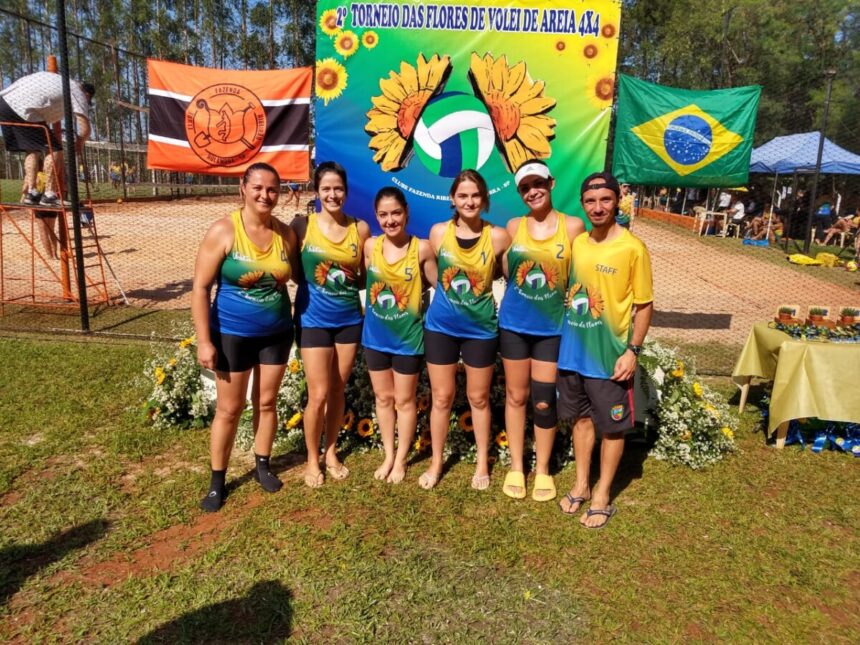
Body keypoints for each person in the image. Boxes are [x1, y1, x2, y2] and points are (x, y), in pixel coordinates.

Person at [192, 162, 298, 512]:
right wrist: (204, 340)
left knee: (266, 403)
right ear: (243, 187)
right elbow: (200, 288)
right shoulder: (223, 231)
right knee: (229, 409)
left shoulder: (285, 234)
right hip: (232, 335)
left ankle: (262, 465)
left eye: (272, 189)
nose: (265, 195)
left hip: (277, 334)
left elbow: (298, 274)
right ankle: (217, 481)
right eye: (258, 188)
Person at [557, 172, 653, 529]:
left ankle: (602, 496)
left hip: (610, 358)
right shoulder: (578, 244)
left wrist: (632, 351)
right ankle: (582, 484)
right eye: (591, 201)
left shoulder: (633, 248)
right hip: (574, 354)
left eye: (605, 200)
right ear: (583, 205)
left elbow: (644, 305)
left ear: (617, 202)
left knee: (611, 429)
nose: (598, 208)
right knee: (581, 420)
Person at [498, 160, 585, 502]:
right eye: (524, 187)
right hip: (514, 326)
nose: (532, 191)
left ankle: (544, 469)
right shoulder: (513, 225)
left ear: (551, 183)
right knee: (516, 397)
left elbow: (584, 272)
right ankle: (518, 465)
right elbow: (506, 270)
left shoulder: (574, 227)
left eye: (537, 183)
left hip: (552, 329)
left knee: (545, 401)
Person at [419, 169, 510, 490]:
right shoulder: (437, 233)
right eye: (463, 195)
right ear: (453, 199)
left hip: (480, 330)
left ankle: (483, 464)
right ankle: (436, 462)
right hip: (441, 327)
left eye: (475, 195)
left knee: (479, 398)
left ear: (484, 199)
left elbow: (509, 275)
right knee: (441, 398)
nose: (469, 201)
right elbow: (433, 275)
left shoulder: (498, 237)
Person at [292, 161, 370, 488]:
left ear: (346, 192)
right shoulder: (301, 226)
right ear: (317, 191)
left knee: (338, 389)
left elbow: (364, 276)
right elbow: (296, 272)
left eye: (338, 188)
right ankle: (312, 459)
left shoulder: (360, 229)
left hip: (349, 319)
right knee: (319, 392)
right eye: (326, 188)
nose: (333, 194)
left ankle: (331, 451)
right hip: (313, 320)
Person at [362, 187, 436, 483]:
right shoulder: (370, 247)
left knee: (404, 401)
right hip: (375, 338)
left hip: (408, 339)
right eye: (383, 214)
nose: (390, 220)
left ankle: (402, 460)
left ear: (406, 212)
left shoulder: (422, 248)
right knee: (383, 398)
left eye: (395, 213)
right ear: (376, 215)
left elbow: (439, 287)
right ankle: (388, 455)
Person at [0, 71, 93, 207]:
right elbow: (85, 127)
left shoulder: (59, 82)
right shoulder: (76, 91)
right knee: (55, 149)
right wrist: (80, 142)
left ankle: (31, 193)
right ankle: (49, 195)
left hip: (4, 105)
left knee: (32, 149)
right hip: (24, 109)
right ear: (87, 94)